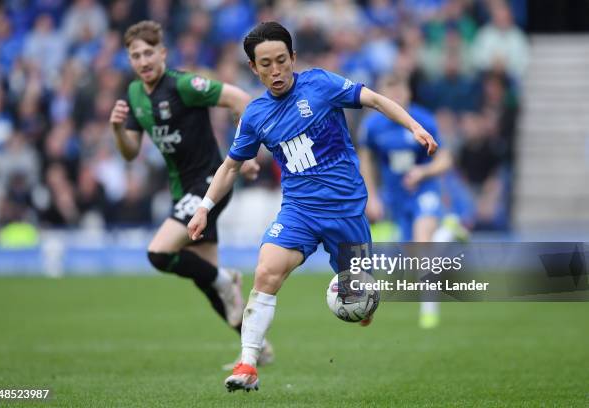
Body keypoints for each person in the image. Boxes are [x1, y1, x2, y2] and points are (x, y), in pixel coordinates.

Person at [187, 21, 438, 392]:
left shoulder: (320, 84)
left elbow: (374, 99)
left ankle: (364, 304)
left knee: (361, 305)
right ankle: (248, 363)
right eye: (265, 64)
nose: (275, 71)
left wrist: (414, 126)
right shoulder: (255, 116)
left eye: (281, 61)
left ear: (292, 58)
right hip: (299, 211)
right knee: (267, 271)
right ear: (253, 69)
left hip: (346, 212)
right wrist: (205, 206)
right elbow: (230, 166)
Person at [109, 20, 273, 366]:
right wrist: (116, 129)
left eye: (149, 53)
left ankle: (227, 279)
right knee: (208, 282)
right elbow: (129, 151)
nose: (143, 61)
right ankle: (255, 350)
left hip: (210, 184)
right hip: (182, 191)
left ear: (163, 53)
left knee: (158, 254)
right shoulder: (135, 95)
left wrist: (242, 154)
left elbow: (239, 98)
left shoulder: (184, 85)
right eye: (135, 55)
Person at [357, 73, 453, 329]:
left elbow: (445, 160)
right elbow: (366, 160)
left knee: (422, 244)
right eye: (390, 91)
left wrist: (423, 172)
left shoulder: (423, 120)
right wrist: (372, 196)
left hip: (424, 191)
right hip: (396, 197)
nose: (397, 96)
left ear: (409, 93)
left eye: (400, 90)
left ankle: (429, 311)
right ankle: (447, 232)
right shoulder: (373, 127)